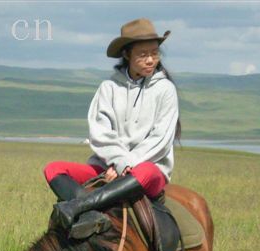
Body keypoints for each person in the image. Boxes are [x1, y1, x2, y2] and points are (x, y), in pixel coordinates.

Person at [45, 18, 181, 239]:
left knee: (145, 171)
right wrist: (118, 162)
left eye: (154, 53)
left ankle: (79, 208)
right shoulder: (108, 88)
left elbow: (160, 139)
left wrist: (127, 166)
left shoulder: (165, 89)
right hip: (107, 167)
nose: (150, 60)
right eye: (143, 54)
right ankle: (92, 216)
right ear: (127, 55)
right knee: (54, 169)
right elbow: (100, 132)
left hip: (147, 171)